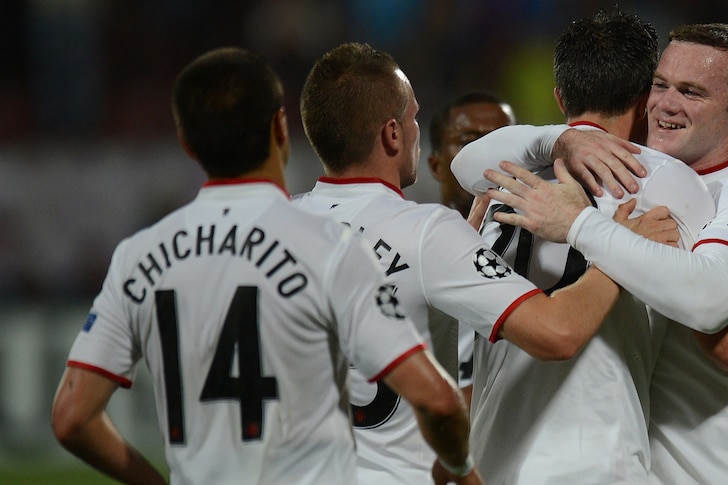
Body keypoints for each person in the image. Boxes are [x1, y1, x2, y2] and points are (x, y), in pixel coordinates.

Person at [50, 47, 480, 485]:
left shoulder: (138, 258)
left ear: (186, 144)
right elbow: (437, 400)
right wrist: (462, 470)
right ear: (280, 126)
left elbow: (71, 417)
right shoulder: (328, 246)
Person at [292, 42, 676, 485]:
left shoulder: (278, 226)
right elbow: (557, 333)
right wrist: (621, 249)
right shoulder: (426, 232)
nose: (419, 131)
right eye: (415, 117)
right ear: (393, 134)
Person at [460, 23, 728, 484]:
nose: (667, 103)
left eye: (692, 92)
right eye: (660, 86)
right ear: (642, 97)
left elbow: (719, 322)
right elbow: (469, 162)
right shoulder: (636, 175)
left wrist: (581, 225)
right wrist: (562, 140)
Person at [426, 91, 517, 405]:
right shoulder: (411, 252)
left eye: (502, 140)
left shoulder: (550, 252)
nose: (487, 155)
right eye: (468, 141)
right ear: (436, 165)